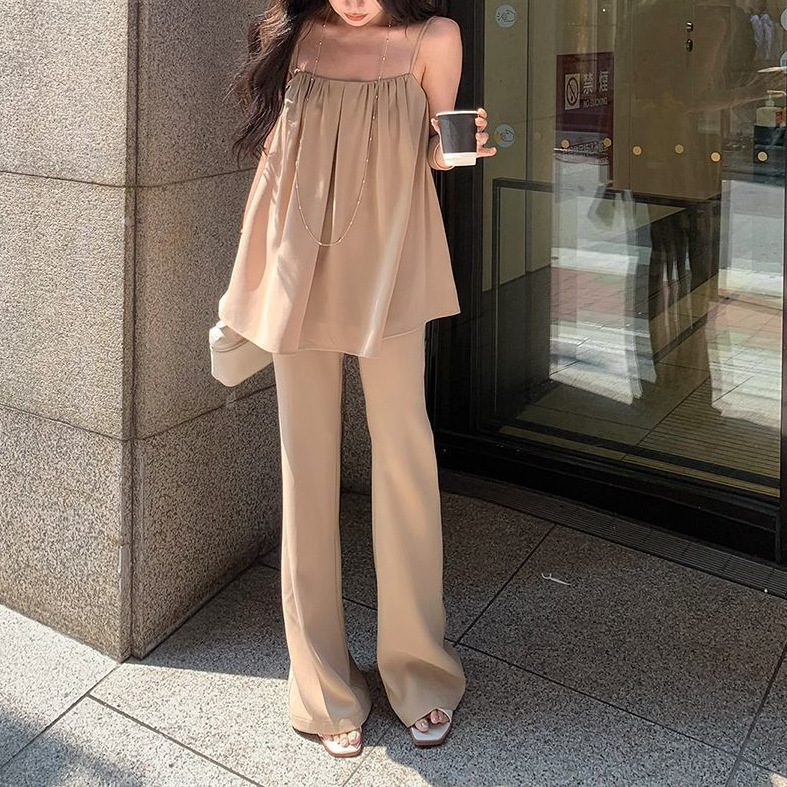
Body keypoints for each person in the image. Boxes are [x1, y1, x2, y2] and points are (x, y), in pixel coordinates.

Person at [216, 0, 497, 758]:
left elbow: (437, 148)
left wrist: (461, 147)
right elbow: (275, 163)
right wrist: (249, 280)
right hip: (297, 268)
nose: (352, 0)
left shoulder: (433, 38)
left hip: (394, 263)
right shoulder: (296, 35)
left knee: (404, 457)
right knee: (304, 469)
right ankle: (322, 686)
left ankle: (419, 670)